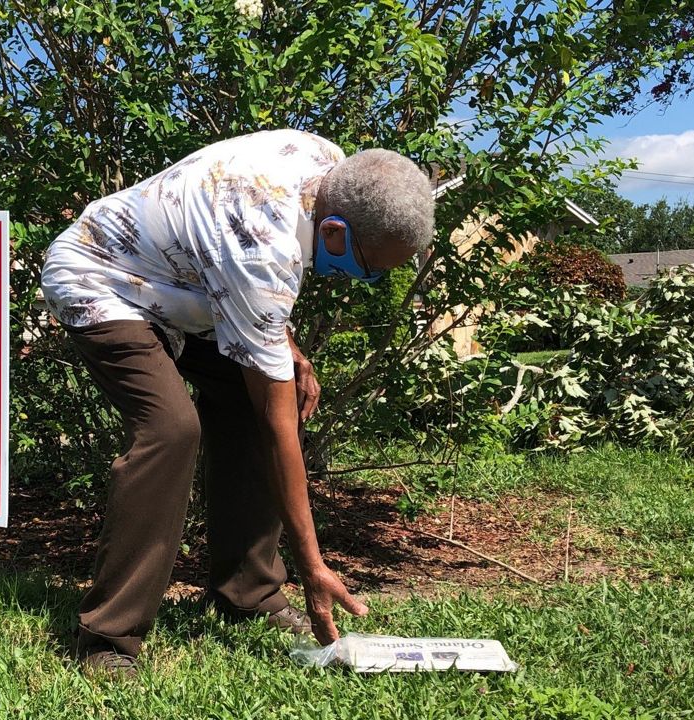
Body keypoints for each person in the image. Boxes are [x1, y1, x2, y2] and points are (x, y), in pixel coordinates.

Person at [40, 129, 435, 676]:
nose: (365, 282)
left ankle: (248, 592)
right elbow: (259, 274)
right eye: (370, 269)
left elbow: (258, 283)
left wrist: (288, 349)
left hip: (188, 290)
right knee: (171, 431)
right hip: (102, 277)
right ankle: (109, 636)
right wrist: (313, 565)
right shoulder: (261, 241)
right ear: (337, 233)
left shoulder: (329, 170)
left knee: (269, 396)